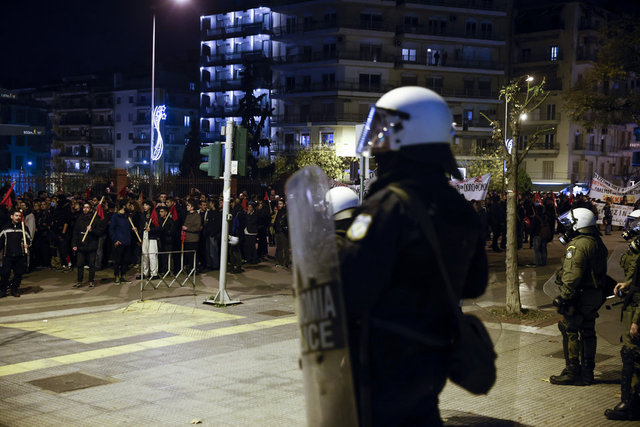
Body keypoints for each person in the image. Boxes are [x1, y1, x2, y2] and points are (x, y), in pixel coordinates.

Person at [338, 86, 488, 425]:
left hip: (381, 361)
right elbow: (475, 283)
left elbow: (348, 288)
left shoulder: (387, 206)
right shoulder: (459, 207)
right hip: (432, 358)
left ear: (409, 133)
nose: (377, 140)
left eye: (385, 128)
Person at [550, 207, 608, 386]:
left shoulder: (578, 245)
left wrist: (565, 297)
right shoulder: (597, 242)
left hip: (579, 297)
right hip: (593, 295)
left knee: (570, 330)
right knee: (589, 332)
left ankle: (572, 371)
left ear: (579, 224)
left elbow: (572, 275)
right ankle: (587, 372)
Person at [604, 218, 640, 420]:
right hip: (633, 305)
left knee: (631, 355)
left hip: (636, 311)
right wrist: (627, 284)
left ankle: (630, 404)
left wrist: (637, 320)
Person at [0, 209, 31, 297]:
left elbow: (29, 239)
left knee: (18, 273)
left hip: (20, 255)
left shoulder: (23, 228)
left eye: (19, 216)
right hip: (8, 255)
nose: (18, 218)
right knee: (5, 274)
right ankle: (3, 290)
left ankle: (14, 289)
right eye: (16, 215)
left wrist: (27, 244)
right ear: (11, 216)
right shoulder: (5, 228)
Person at [71, 202, 103, 289]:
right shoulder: (79, 219)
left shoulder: (95, 219)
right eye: (84, 207)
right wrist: (74, 244)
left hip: (91, 245)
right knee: (80, 264)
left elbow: (100, 232)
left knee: (91, 264)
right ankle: (79, 281)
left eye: (87, 207)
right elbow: (75, 232)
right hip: (81, 245)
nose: (85, 209)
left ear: (90, 209)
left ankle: (91, 281)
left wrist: (92, 230)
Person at [109, 200, 132, 284]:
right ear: (124, 206)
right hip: (119, 241)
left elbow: (129, 228)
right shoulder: (115, 216)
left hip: (127, 241)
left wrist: (133, 229)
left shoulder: (128, 216)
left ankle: (123, 275)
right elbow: (111, 229)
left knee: (125, 260)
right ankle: (116, 276)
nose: (130, 206)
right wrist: (115, 240)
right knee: (117, 260)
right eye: (129, 204)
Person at [273, 199, 289, 268]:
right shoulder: (277, 212)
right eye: (279, 204)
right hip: (277, 232)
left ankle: (286, 263)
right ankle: (280, 262)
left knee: (285, 248)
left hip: (283, 232)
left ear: (284, 204)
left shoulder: (286, 212)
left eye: (281, 204)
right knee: (279, 248)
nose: (279, 205)